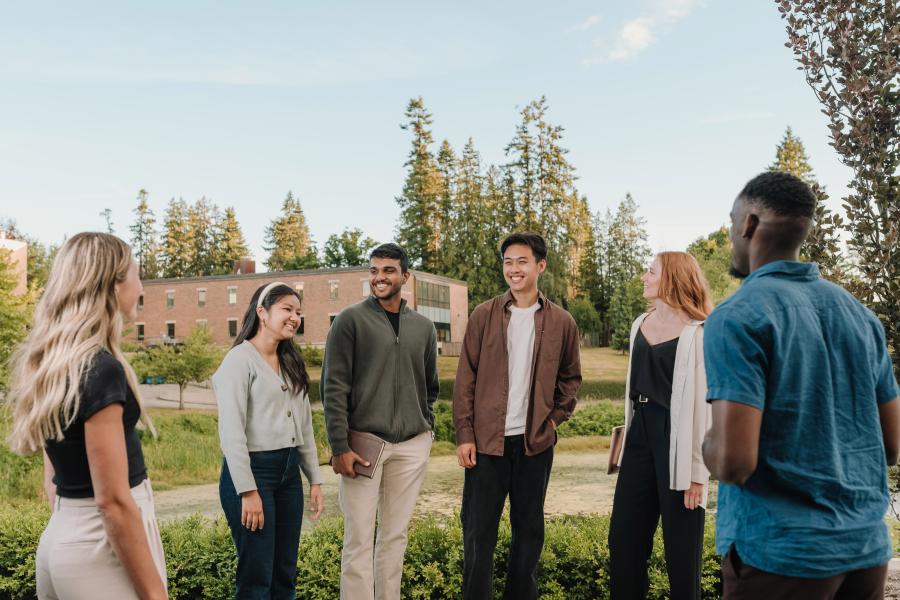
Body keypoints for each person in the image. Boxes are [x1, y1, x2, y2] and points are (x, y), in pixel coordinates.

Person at [702, 171, 900, 600]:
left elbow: (735, 463)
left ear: (749, 224)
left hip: (783, 556)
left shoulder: (736, 317)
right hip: (865, 550)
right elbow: (890, 447)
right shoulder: (860, 317)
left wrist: (707, 443)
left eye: (732, 221)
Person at [7, 232, 167, 600]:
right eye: (136, 275)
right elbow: (112, 501)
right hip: (100, 549)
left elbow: (52, 478)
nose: (141, 287)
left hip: (62, 535)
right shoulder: (101, 368)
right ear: (112, 285)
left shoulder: (54, 363)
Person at [453, 231, 582, 600]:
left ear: (540, 266)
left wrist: (553, 421)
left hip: (535, 445)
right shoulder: (483, 315)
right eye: (508, 262)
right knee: (478, 535)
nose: (514, 269)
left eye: (522, 261)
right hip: (486, 445)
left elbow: (571, 379)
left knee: (528, 534)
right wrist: (464, 433)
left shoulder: (562, 323)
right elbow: (465, 379)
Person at [322, 242, 439, 600]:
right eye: (374, 270)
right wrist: (340, 446)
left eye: (388, 270)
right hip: (363, 447)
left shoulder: (423, 327)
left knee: (394, 537)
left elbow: (430, 386)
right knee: (358, 539)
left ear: (406, 276)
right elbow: (333, 386)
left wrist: (426, 428)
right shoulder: (349, 320)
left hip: (411, 446)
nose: (379, 277)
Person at [607, 251, 713, 600]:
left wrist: (698, 473)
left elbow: (705, 408)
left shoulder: (699, 334)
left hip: (678, 444)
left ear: (671, 279)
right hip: (639, 436)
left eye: (651, 271)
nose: (644, 276)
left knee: (681, 554)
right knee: (623, 543)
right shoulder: (640, 323)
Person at [213, 281, 324, 600]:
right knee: (256, 578)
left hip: (289, 477)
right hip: (253, 476)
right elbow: (231, 436)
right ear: (262, 312)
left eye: (298, 312)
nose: (295, 317)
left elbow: (304, 428)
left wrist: (314, 480)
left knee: (284, 575)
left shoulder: (291, 363)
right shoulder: (238, 361)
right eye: (287, 309)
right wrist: (247, 491)